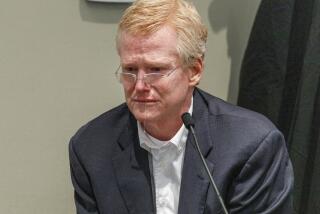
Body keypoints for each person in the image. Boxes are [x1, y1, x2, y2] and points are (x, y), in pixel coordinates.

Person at [69, 0, 294, 213]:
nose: (139, 85)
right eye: (129, 69)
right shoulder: (91, 149)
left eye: (155, 70)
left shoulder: (252, 146)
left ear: (194, 71)